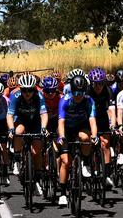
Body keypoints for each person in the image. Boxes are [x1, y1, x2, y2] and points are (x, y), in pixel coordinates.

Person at [56, 75, 97, 206]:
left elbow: (92, 121)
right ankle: (62, 193)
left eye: (81, 92)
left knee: (86, 138)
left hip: (81, 127)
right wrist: (62, 137)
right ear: (71, 90)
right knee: (66, 161)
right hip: (67, 129)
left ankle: (85, 163)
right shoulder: (65, 100)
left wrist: (94, 135)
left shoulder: (89, 100)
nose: (78, 95)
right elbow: (61, 122)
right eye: (75, 92)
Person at [7, 74, 48, 180]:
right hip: (21, 120)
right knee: (18, 131)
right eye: (24, 90)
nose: (27, 93)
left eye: (30, 90)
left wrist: (43, 128)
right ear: (20, 89)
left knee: (36, 151)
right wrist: (11, 129)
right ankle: (16, 158)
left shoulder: (39, 95)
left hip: (35, 121)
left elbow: (44, 114)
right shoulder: (15, 95)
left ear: (34, 89)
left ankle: (38, 171)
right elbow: (10, 115)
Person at [86, 67, 116, 188]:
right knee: (88, 141)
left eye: (100, 83)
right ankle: (87, 163)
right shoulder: (87, 92)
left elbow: (111, 110)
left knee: (106, 144)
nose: (98, 86)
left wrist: (112, 125)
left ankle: (107, 174)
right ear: (91, 83)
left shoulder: (108, 91)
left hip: (102, 117)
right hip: (89, 117)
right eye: (95, 84)